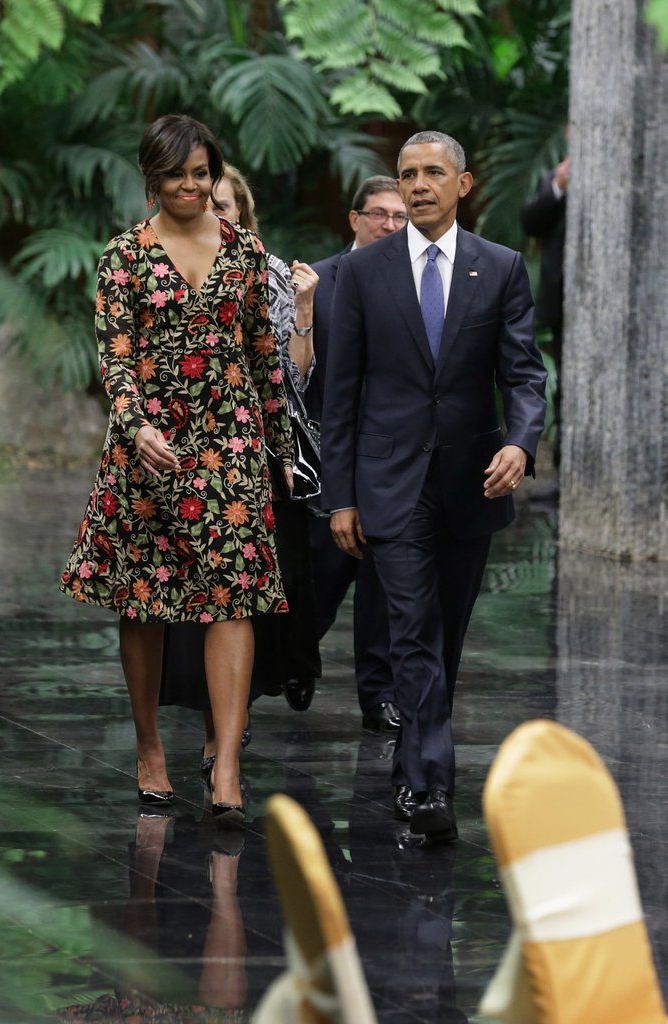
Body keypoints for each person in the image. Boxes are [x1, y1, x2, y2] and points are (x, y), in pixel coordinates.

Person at [60, 115, 294, 828]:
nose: (191, 186)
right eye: (177, 174)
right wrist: (137, 427)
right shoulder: (123, 256)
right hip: (149, 451)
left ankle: (225, 763)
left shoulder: (246, 253)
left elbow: (261, 355)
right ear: (152, 177)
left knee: (232, 597)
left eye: (202, 173)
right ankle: (149, 747)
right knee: (146, 603)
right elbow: (116, 361)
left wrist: (281, 448)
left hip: (231, 447)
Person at [321, 131, 547, 842]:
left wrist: (519, 440)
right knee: (413, 630)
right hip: (389, 484)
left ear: (463, 184)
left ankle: (415, 766)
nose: (417, 185)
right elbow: (342, 391)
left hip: (470, 481)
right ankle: (427, 787)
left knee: (443, 637)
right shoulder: (363, 274)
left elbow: (523, 373)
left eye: (432, 173)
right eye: (407, 174)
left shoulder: (501, 267)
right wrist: (341, 497)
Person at [159, 164, 322, 768]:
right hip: (180, 458)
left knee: (243, 603)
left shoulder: (268, 273)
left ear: (242, 214)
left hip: (255, 456)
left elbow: (295, 378)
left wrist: (303, 312)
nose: (214, 211)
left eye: (225, 204)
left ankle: (231, 731)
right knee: (195, 602)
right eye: (207, 201)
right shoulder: (157, 265)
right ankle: (215, 733)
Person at [307, 176, 409, 732]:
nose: (389, 225)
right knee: (320, 579)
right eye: (378, 214)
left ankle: (379, 695)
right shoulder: (318, 281)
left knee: (382, 586)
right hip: (328, 454)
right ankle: (294, 662)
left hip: (392, 459)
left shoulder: (415, 281)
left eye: (399, 217)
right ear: (354, 218)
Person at [521, 152, 568, 491]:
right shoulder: (558, 175)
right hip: (569, 303)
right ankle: (563, 477)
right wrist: (558, 186)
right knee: (567, 388)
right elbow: (531, 222)